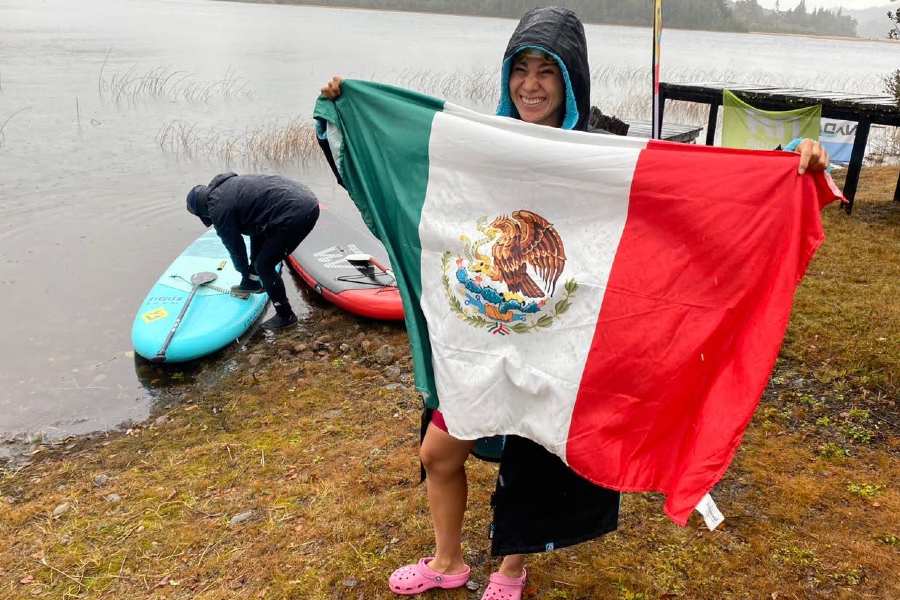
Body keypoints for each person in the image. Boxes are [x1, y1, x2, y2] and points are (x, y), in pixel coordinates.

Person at [320, 7, 829, 599]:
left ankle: (511, 569)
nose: (530, 85)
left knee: (529, 470)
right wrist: (347, 112)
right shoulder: (486, 142)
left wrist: (793, 156)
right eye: (521, 69)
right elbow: (404, 169)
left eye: (547, 72)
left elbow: (691, 186)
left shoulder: (603, 145)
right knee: (438, 452)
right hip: (483, 338)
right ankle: (447, 561)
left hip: (560, 352)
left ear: (571, 79)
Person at [185, 172, 320, 330]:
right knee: (261, 259)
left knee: (265, 265)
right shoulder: (226, 187)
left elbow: (236, 249)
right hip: (303, 199)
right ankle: (255, 283)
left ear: (202, 210)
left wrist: (243, 271)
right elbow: (258, 232)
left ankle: (286, 316)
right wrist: (250, 277)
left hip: (296, 213)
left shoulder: (219, 209)